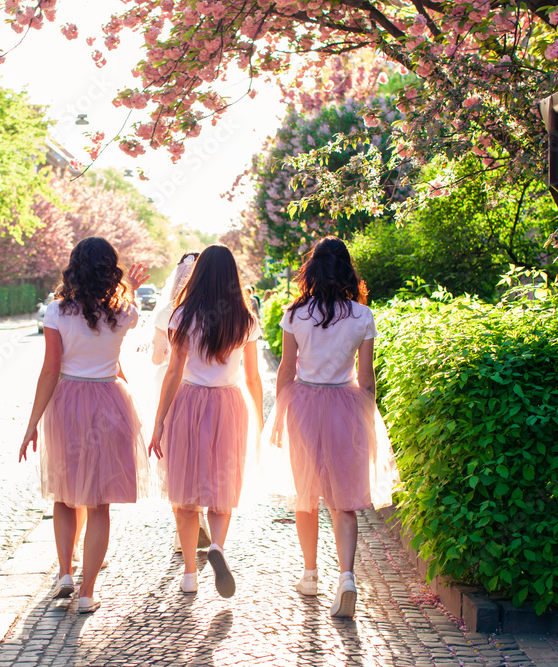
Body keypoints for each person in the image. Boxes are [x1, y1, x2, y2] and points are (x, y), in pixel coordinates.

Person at [267, 235, 398, 618]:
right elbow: (367, 378)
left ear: (312, 270)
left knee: (305, 495)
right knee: (344, 499)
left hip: (304, 404)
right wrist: (369, 419)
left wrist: (279, 414)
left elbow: (286, 371)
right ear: (347, 271)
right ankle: (346, 577)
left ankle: (310, 575)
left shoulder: (295, 315)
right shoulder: (362, 316)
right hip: (346, 404)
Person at [19, 237, 151, 614]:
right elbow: (117, 317)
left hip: (68, 403)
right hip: (110, 401)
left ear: (73, 266)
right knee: (99, 503)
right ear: (110, 269)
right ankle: (88, 593)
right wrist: (129, 291)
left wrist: (32, 423)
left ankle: (64, 572)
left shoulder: (56, 311)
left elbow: (50, 369)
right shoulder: (126, 311)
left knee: (64, 493)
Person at [149, 244, 264, 598]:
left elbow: (172, 372)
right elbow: (254, 377)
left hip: (188, 401)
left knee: (185, 491)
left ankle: (188, 573)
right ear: (233, 277)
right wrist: (259, 419)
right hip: (229, 404)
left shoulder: (181, 315)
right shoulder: (245, 319)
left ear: (197, 275)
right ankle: (217, 546)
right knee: (222, 486)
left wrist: (159, 422)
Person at [150, 251, 212, 553]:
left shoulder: (167, 313)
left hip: (174, 391)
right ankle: (198, 518)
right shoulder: (210, 310)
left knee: (177, 463)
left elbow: (156, 358)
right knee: (202, 458)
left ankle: (183, 530)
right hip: (205, 388)